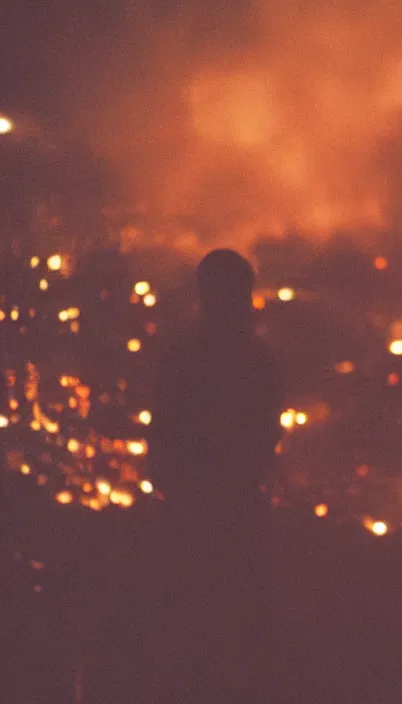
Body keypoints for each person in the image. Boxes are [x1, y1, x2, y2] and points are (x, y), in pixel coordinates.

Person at [147, 248, 284, 703]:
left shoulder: (182, 362)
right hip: (231, 520)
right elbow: (264, 441)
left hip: (193, 523)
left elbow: (162, 451)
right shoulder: (258, 362)